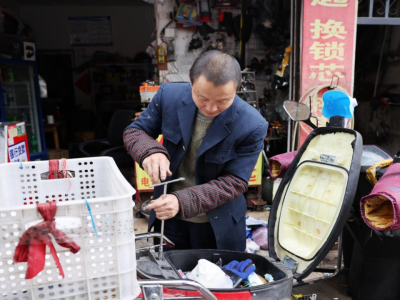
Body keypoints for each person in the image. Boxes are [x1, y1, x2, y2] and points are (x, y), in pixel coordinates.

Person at [124, 50, 268, 251]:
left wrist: (181, 200)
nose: (210, 108)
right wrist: (150, 151)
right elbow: (135, 131)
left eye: (222, 101)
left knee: (218, 278)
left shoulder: (252, 124)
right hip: (169, 217)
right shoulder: (169, 96)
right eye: (202, 97)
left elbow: (234, 182)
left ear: (237, 89)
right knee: (171, 275)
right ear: (191, 83)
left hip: (218, 224)